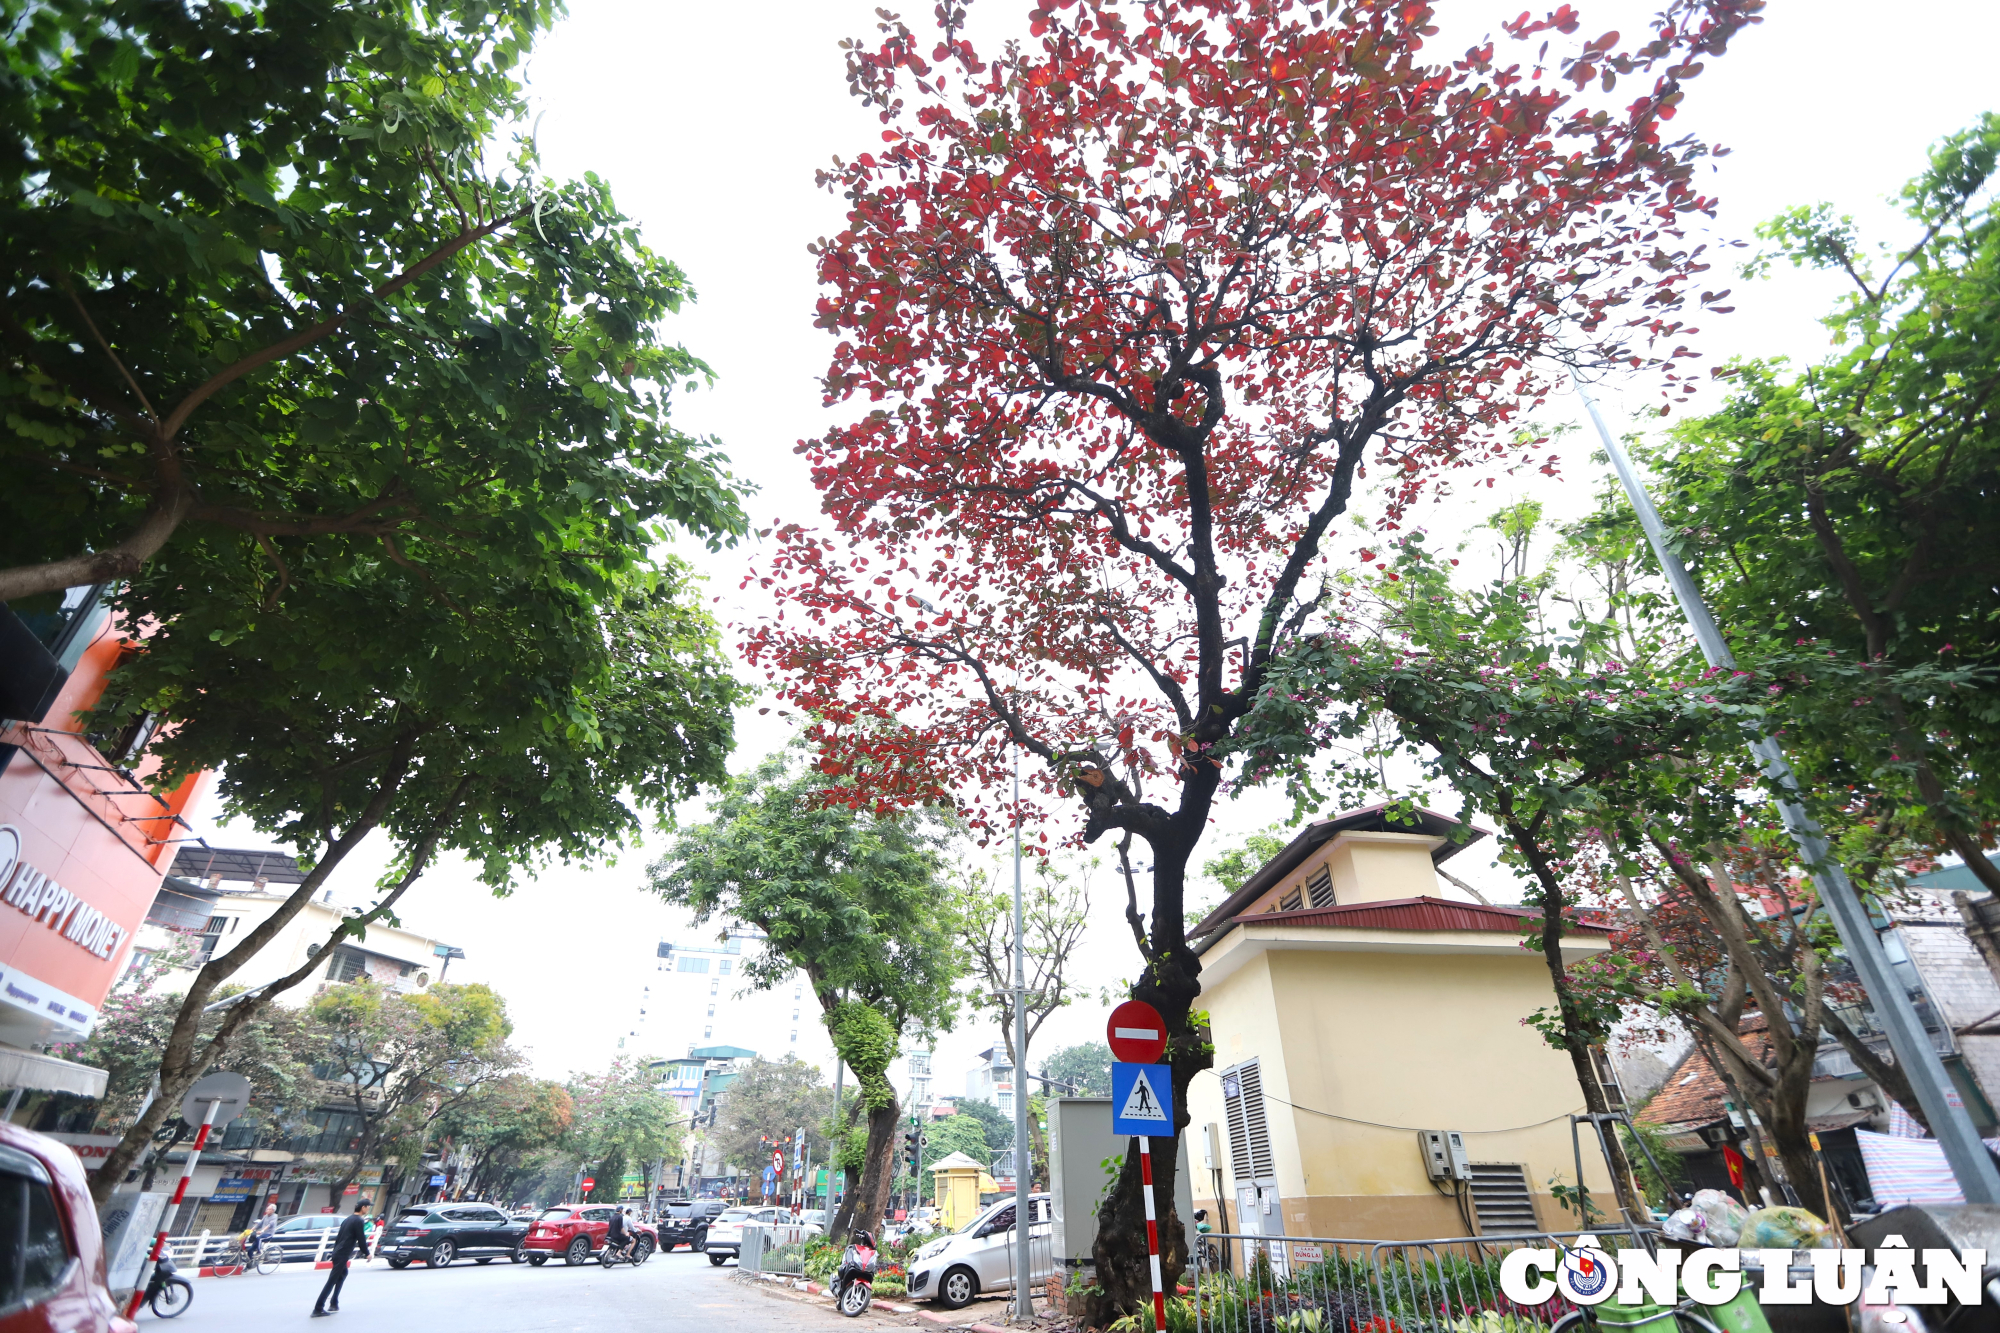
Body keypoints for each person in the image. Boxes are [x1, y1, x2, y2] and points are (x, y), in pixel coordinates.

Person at [311, 1198, 370, 1317]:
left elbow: (339, 1237)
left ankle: (334, 1303)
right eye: (368, 1207)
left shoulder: (348, 1219)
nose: (368, 1209)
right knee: (332, 1281)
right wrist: (367, 1252)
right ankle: (318, 1308)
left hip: (339, 1252)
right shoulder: (358, 1220)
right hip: (342, 1253)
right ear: (363, 1207)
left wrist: (334, 1253)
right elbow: (361, 1238)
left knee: (342, 1274)